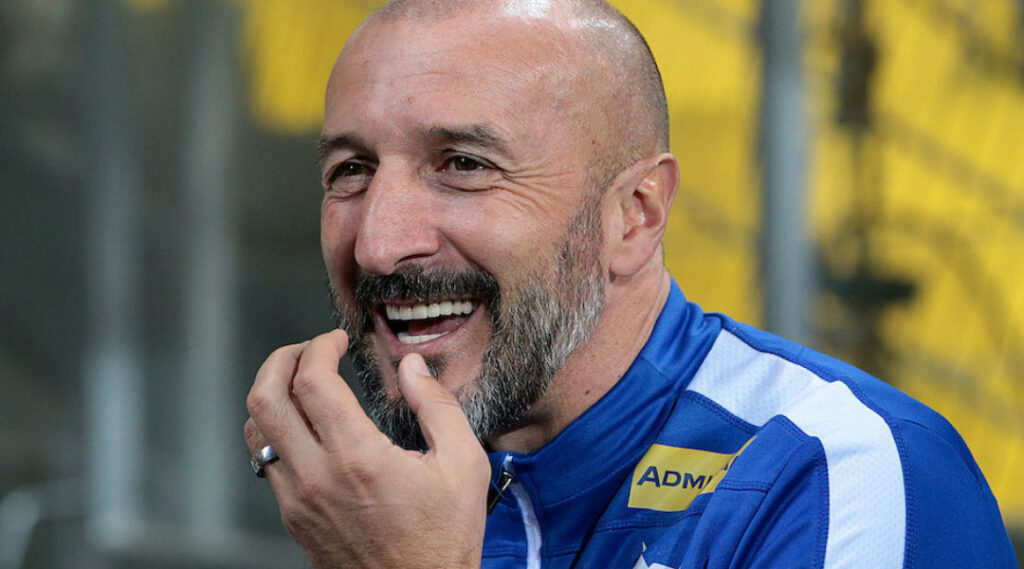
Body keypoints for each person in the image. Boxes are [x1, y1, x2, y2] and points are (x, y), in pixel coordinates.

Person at [243, 0, 1018, 567]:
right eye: (351, 170)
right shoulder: (377, 506)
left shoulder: (834, 473)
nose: (378, 244)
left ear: (635, 215)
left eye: (465, 165)